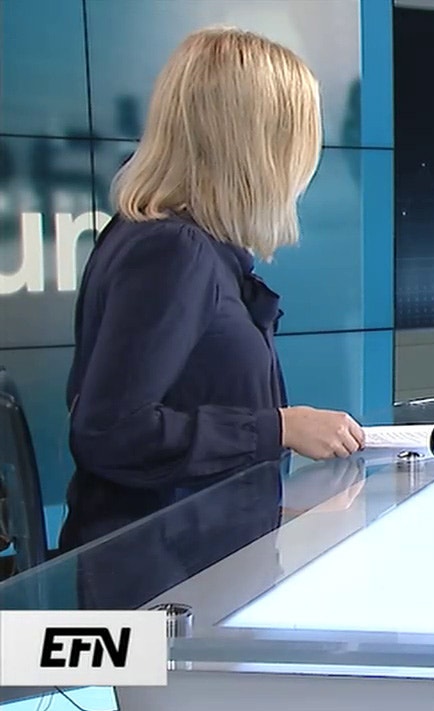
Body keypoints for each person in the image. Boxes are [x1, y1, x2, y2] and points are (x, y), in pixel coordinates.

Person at [60, 27, 364, 551]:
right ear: (259, 144)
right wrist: (279, 428)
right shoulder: (173, 251)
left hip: (189, 555)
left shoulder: (175, 243)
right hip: (159, 579)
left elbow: (186, 404)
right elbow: (111, 432)